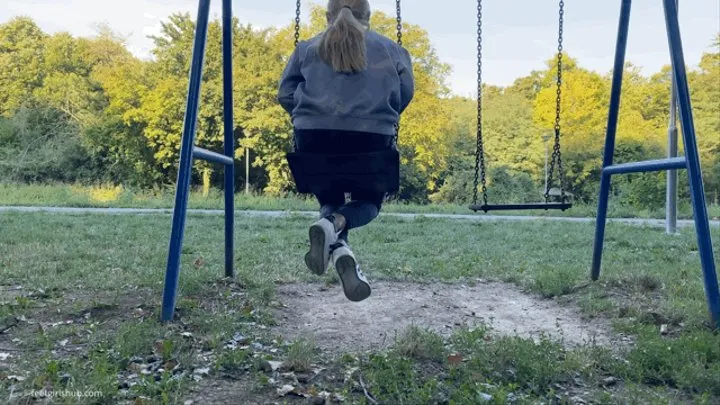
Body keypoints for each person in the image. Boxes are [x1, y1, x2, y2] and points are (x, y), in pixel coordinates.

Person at [277, 0, 414, 302]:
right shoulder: (393, 50)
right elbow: (405, 95)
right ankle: (333, 224)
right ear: (369, 16)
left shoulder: (306, 49)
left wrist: (310, 113)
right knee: (368, 202)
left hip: (314, 138)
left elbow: (285, 93)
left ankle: (339, 249)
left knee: (330, 197)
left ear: (328, 16)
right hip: (371, 139)